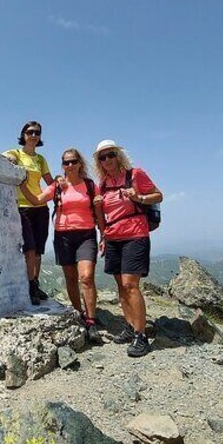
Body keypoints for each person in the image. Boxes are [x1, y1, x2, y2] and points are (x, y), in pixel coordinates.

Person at [18, 148, 105, 344]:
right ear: (62, 165)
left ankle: (91, 321)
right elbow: (36, 200)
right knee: (71, 277)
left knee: (86, 276)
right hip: (63, 235)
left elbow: (99, 212)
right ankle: (78, 313)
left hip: (86, 234)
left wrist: (103, 235)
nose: (70, 165)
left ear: (80, 163)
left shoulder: (91, 186)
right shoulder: (58, 186)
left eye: (73, 161)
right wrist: (22, 183)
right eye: (66, 162)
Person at [94, 139, 163, 358]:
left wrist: (139, 197)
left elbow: (158, 195)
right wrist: (103, 236)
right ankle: (130, 326)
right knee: (120, 286)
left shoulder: (135, 174)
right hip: (113, 237)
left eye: (110, 155)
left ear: (118, 155)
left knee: (130, 284)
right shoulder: (102, 184)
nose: (107, 160)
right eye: (102, 157)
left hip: (135, 233)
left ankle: (141, 336)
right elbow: (102, 215)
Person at [3, 121, 54, 305]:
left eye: (37, 133)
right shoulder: (16, 153)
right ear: (23, 135)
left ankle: (35, 283)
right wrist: (11, 159)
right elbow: (4, 157)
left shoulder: (41, 160)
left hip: (40, 207)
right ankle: (29, 285)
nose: (33, 135)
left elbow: (49, 181)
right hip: (23, 207)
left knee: (38, 249)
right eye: (30, 132)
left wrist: (62, 185)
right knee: (30, 248)